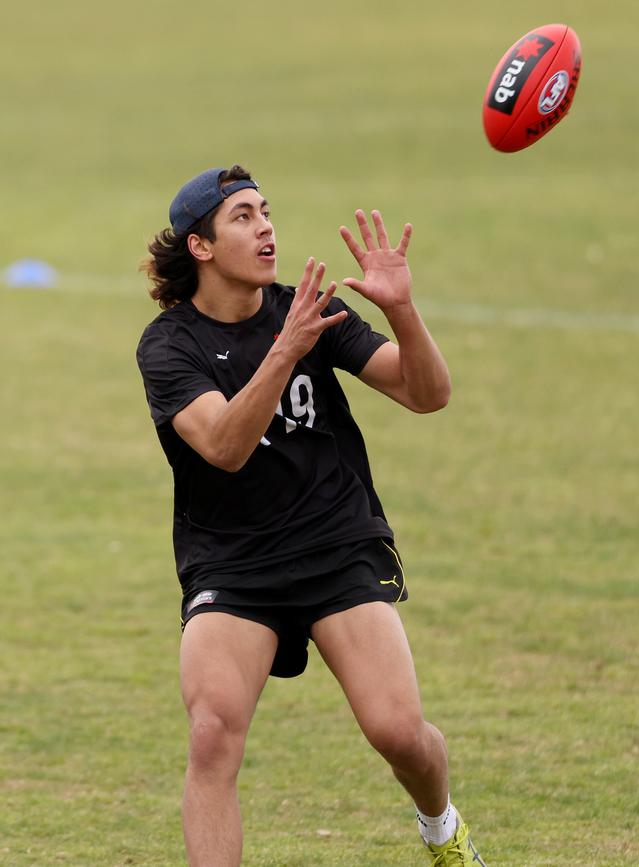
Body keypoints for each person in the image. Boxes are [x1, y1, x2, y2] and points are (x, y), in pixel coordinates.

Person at [136, 164, 485, 867]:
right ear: (200, 246)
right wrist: (285, 350)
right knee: (211, 733)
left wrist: (403, 310)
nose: (265, 226)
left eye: (266, 211)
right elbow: (226, 447)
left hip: (334, 544)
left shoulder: (309, 310)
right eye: (242, 216)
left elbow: (427, 395)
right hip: (232, 562)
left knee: (398, 732)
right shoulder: (169, 346)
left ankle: (442, 828)